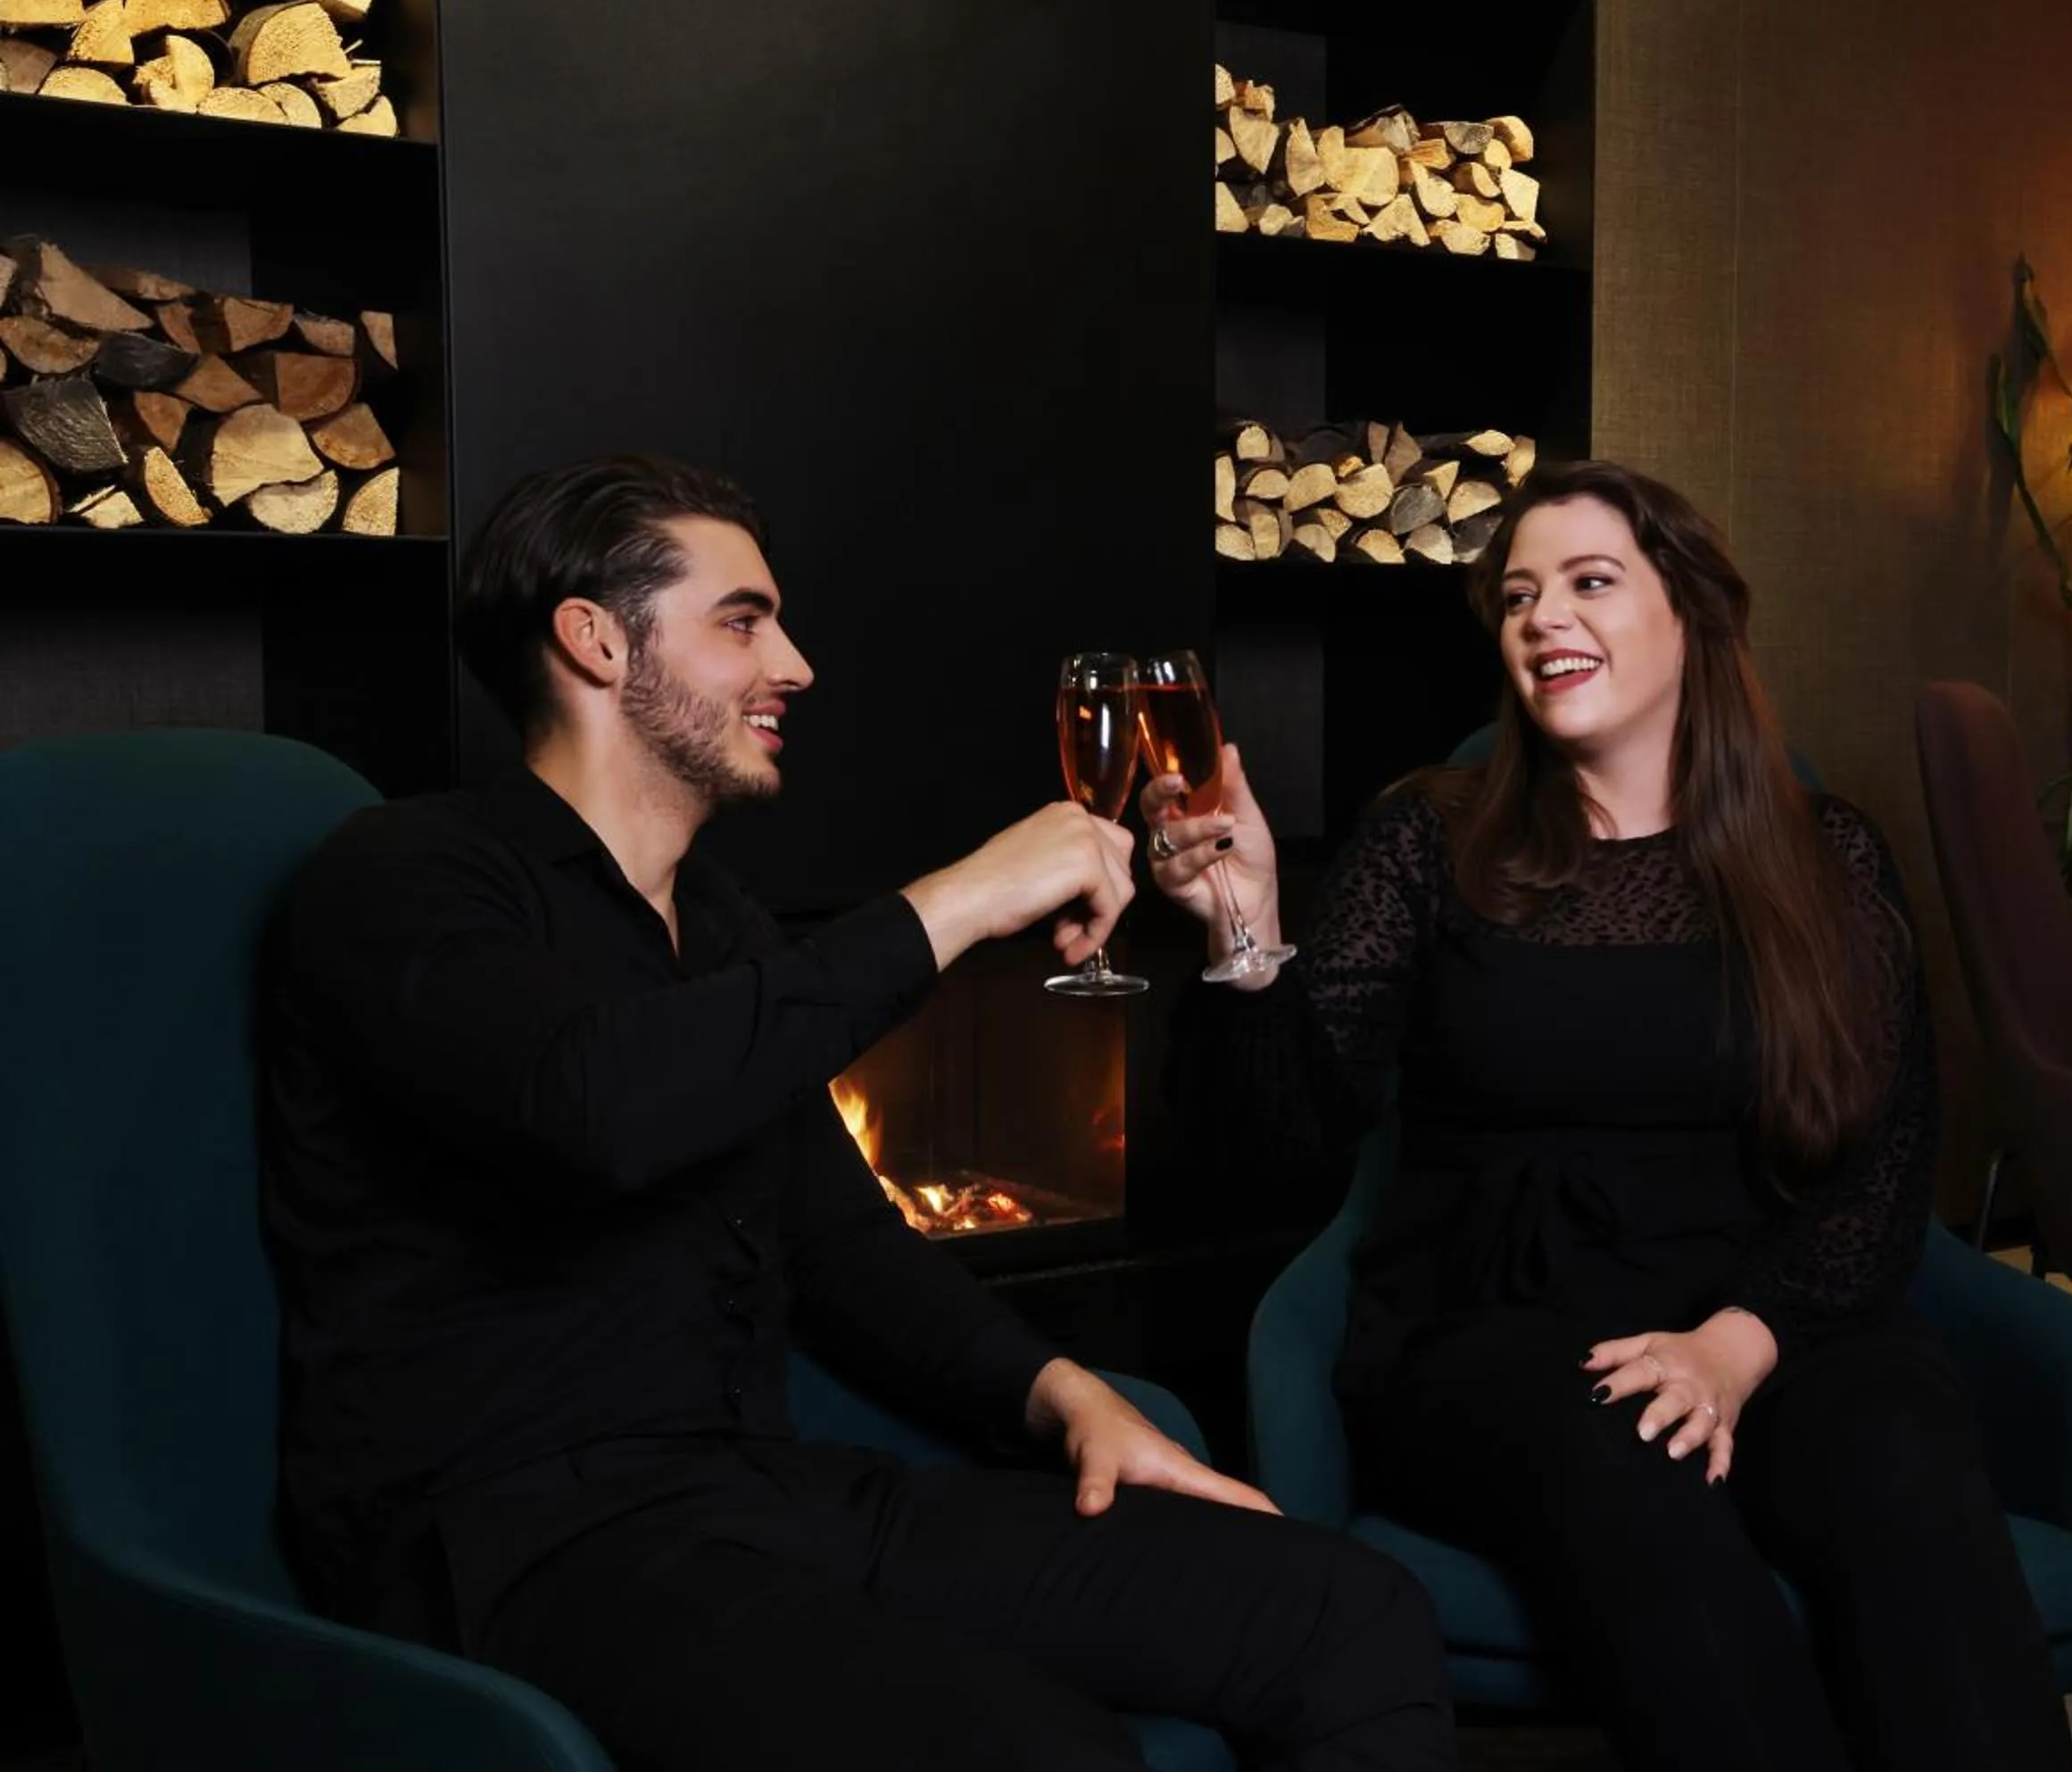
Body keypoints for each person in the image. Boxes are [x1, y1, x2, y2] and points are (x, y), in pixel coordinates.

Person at [260, 454, 1456, 1771]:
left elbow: (836, 1238)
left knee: (1346, 1611)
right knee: (1038, 1750)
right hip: (524, 1545)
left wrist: (1065, 1397)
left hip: (766, 1493)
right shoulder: (403, 877)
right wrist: (959, 901)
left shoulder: (717, 923)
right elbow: (591, 1107)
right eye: (742, 620)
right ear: (594, 640)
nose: (797, 664)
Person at [1148, 460, 2072, 1772]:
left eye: (1590, 582)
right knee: (1624, 1456)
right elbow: (1282, 1137)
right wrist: (1244, 926)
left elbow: (1884, 1164)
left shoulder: (1830, 856)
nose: (1543, 618)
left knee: (1900, 1453)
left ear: (1691, 616)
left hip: (1762, 1309)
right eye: (1520, 595)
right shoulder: (1430, 837)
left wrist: (1736, 1350)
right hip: (1498, 1330)